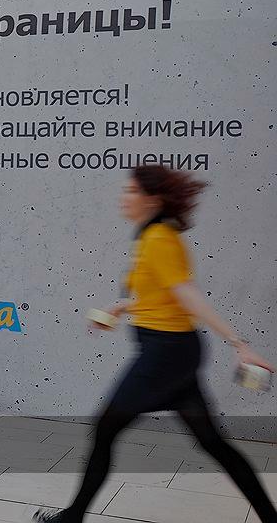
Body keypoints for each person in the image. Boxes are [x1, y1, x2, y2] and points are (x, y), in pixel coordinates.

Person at [35, 166, 277, 523]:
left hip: (164, 355)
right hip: (176, 352)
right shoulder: (152, 236)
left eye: (131, 191)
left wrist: (239, 344)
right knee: (212, 442)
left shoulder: (160, 238)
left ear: (153, 200)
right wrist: (121, 307)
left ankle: (72, 519)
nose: (124, 197)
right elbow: (161, 294)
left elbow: (186, 294)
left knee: (105, 429)